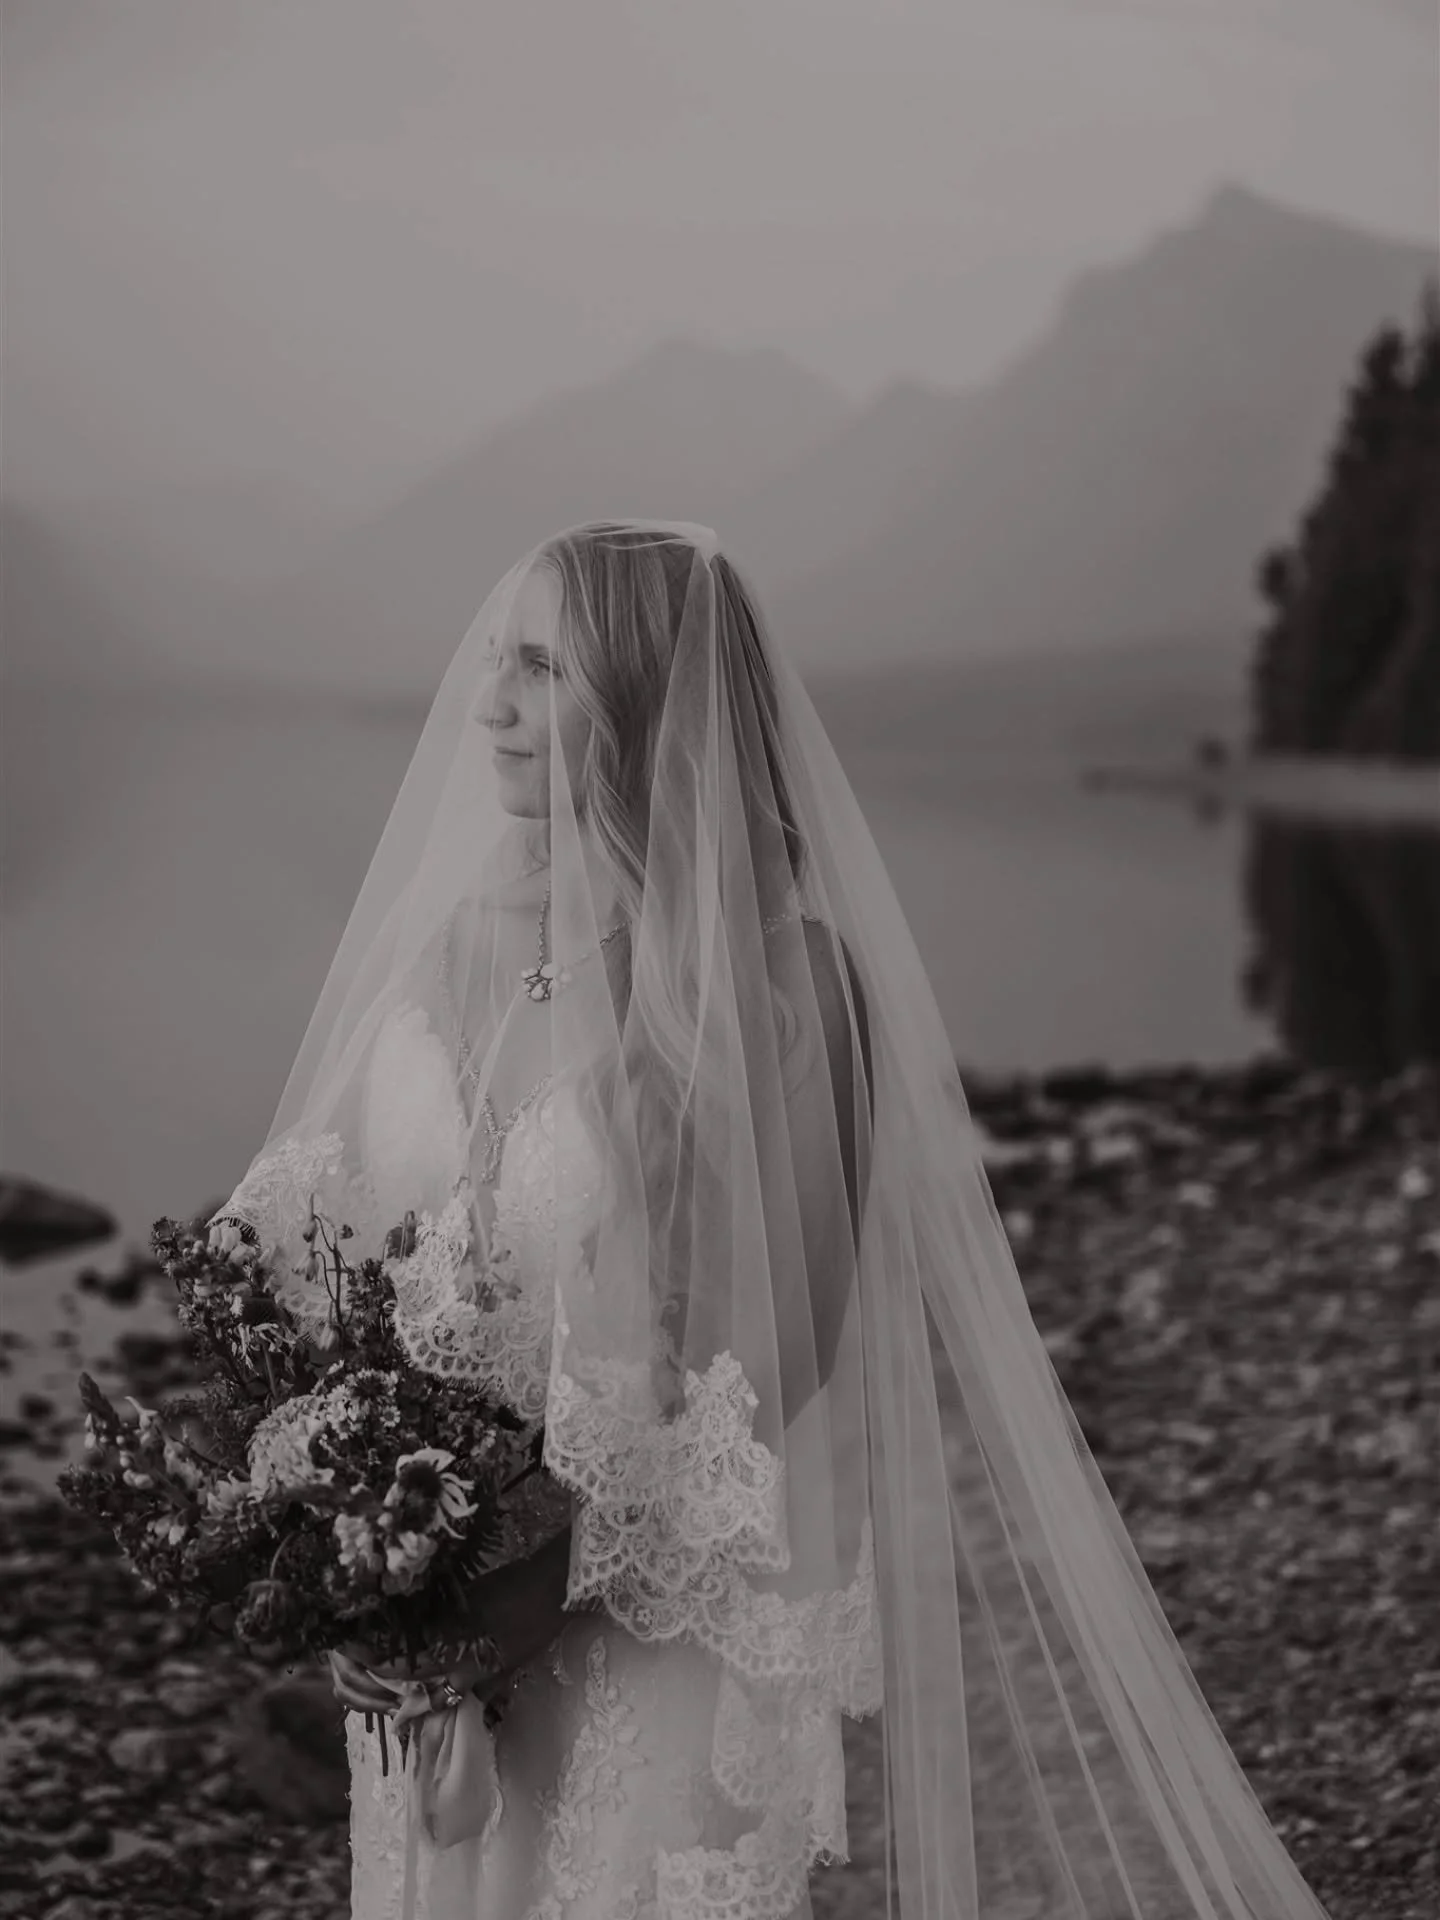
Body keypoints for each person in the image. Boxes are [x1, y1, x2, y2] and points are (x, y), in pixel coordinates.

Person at [209, 521, 1332, 1920]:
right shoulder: (455, 953)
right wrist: (359, 1561)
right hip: (433, 1632)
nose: (487, 706)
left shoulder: (784, 990)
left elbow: (774, 1363)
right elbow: (350, 1291)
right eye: (495, 662)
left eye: (540, 669)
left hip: (638, 1625)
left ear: (642, 702)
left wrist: (498, 1568)